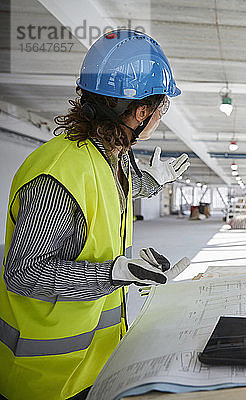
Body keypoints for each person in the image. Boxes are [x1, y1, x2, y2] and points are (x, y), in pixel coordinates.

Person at [0, 30, 189, 400]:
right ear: (140, 111)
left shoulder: (105, 158)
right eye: (161, 108)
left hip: (94, 364)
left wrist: (152, 184)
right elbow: (24, 273)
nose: (160, 118)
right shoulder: (59, 173)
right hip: (48, 377)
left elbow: (115, 192)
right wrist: (113, 272)